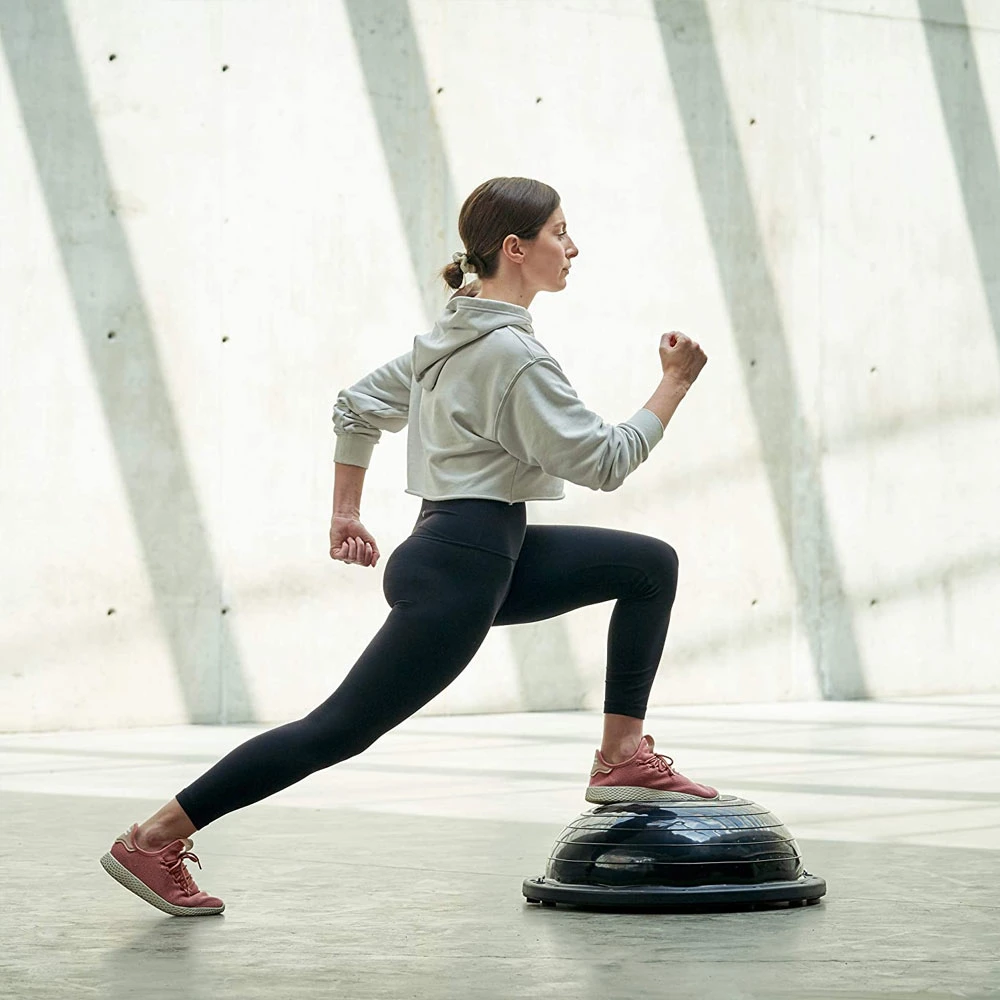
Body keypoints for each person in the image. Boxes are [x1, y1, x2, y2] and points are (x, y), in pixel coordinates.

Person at [100, 176, 715, 917]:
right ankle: (154, 836)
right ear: (515, 250)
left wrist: (345, 512)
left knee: (648, 565)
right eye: (559, 231)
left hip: (471, 549)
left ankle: (622, 757)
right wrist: (674, 385)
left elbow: (355, 405)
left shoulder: (448, 339)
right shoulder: (513, 358)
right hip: (465, 565)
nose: (572, 245)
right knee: (337, 730)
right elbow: (607, 461)